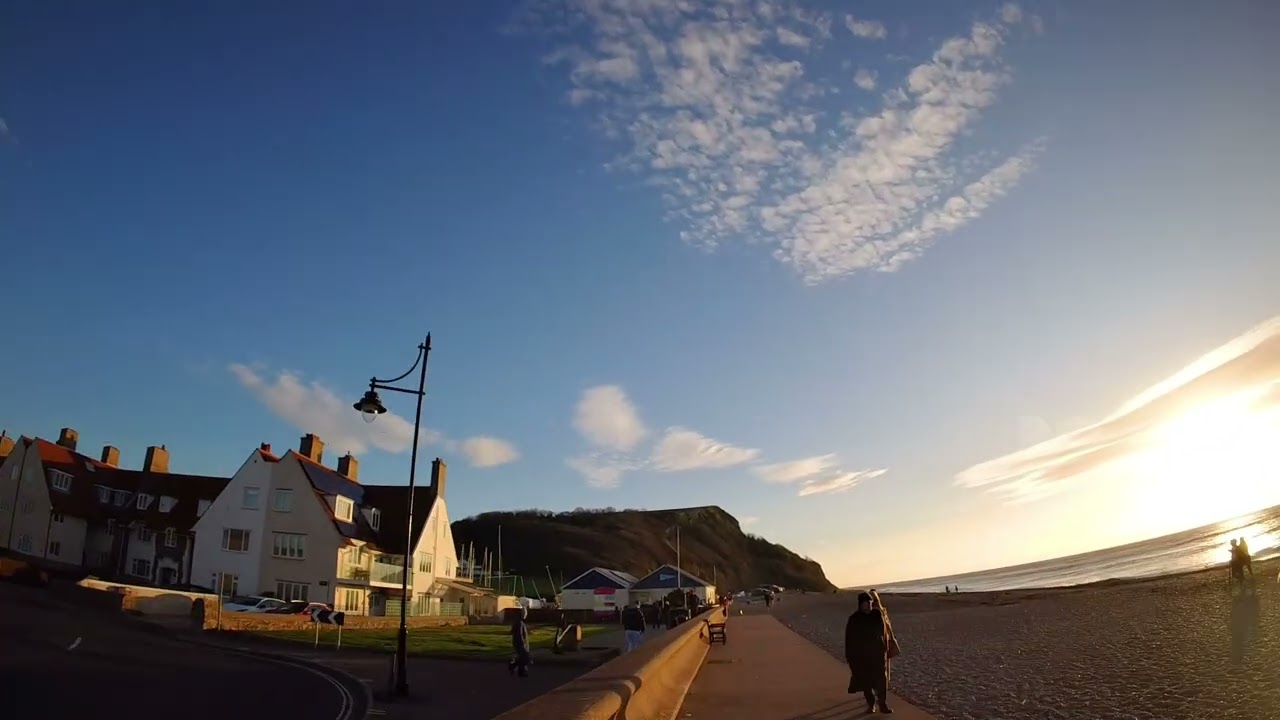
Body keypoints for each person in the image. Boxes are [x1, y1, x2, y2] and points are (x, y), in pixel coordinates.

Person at [845, 591, 894, 715]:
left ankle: (882, 704)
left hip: (877, 654)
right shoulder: (854, 619)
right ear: (861, 604)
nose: (869, 605)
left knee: (881, 681)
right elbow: (849, 639)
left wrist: (885, 649)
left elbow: (883, 632)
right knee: (866, 683)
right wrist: (850, 658)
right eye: (867, 603)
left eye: (871, 602)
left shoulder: (876, 614)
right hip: (862, 657)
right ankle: (871, 704)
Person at [508, 605, 531, 677]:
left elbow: (512, 632)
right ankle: (515, 667)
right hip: (520, 643)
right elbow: (520, 635)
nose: (525, 615)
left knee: (522, 657)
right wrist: (523, 644)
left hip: (517, 643)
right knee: (524, 657)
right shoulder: (520, 623)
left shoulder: (518, 622)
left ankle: (519, 670)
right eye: (525, 614)